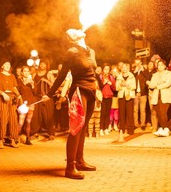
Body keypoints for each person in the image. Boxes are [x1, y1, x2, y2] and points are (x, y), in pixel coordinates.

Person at [42, 28, 97, 180]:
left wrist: (97, 89)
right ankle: (70, 167)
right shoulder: (71, 52)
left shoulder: (91, 51)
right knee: (76, 128)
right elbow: (62, 75)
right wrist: (50, 94)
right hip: (79, 90)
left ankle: (79, 161)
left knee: (83, 127)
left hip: (91, 92)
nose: (78, 30)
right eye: (73, 31)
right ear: (72, 38)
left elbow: (93, 72)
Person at [0, 59, 22, 149]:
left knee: (13, 118)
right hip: (2, 98)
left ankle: (13, 139)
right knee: (3, 118)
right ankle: (0, 140)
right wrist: (3, 94)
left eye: (9, 64)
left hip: (12, 98)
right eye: (5, 64)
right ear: (2, 66)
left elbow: (14, 88)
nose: (8, 65)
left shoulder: (12, 76)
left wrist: (19, 96)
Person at [148, 59, 171, 131]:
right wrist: (159, 82)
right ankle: (163, 128)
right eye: (158, 65)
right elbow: (151, 85)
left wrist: (158, 85)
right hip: (156, 96)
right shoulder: (155, 75)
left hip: (165, 96)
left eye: (162, 65)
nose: (160, 66)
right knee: (158, 113)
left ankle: (164, 128)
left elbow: (168, 83)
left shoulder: (168, 73)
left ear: (165, 66)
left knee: (163, 113)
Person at [33, 59, 56, 140]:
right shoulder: (35, 74)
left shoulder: (49, 73)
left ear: (47, 65)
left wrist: (45, 80)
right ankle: (34, 132)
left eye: (44, 64)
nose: (42, 65)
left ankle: (51, 133)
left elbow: (53, 85)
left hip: (47, 97)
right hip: (37, 97)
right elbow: (33, 84)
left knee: (48, 115)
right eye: (41, 64)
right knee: (37, 115)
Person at [16, 66, 37, 145]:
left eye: (28, 71)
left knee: (28, 122)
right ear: (21, 72)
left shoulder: (32, 81)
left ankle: (28, 139)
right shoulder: (19, 80)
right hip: (23, 103)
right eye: (24, 71)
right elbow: (19, 91)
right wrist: (25, 83)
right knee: (20, 122)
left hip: (31, 103)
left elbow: (35, 92)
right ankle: (16, 138)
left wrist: (32, 85)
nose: (26, 73)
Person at [116, 63, 136, 136]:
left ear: (128, 68)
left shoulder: (132, 76)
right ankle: (122, 129)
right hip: (121, 96)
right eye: (123, 67)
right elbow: (116, 87)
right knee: (122, 113)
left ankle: (130, 129)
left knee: (130, 113)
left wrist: (128, 85)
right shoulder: (119, 77)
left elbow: (134, 86)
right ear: (121, 69)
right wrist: (121, 85)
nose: (124, 69)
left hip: (129, 96)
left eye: (126, 67)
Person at [98, 63, 116, 134]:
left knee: (107, 113)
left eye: (108, 69)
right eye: (105, 69)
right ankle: (101, 129)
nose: (106, 71)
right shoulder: (100, 76)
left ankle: (105, 128)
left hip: (109, 97)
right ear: (103, 70)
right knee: (102, 113)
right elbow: (98, 86)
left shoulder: (111, 77)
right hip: (102, 97)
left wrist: (111, 84)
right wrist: (103, 82)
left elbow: (114, 88)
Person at [133, 58, 149, 130]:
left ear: (141, 63)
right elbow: (131, 78)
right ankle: (135, 124)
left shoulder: (145, 70)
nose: (138, 65)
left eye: (139, 63)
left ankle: (143, 124)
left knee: (143, 109)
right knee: (135, 109)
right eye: (136, 63)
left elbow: (148, 77)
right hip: (136, 93)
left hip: (143, 93)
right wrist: (135, 72)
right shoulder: (133, 71)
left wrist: (143, 70)